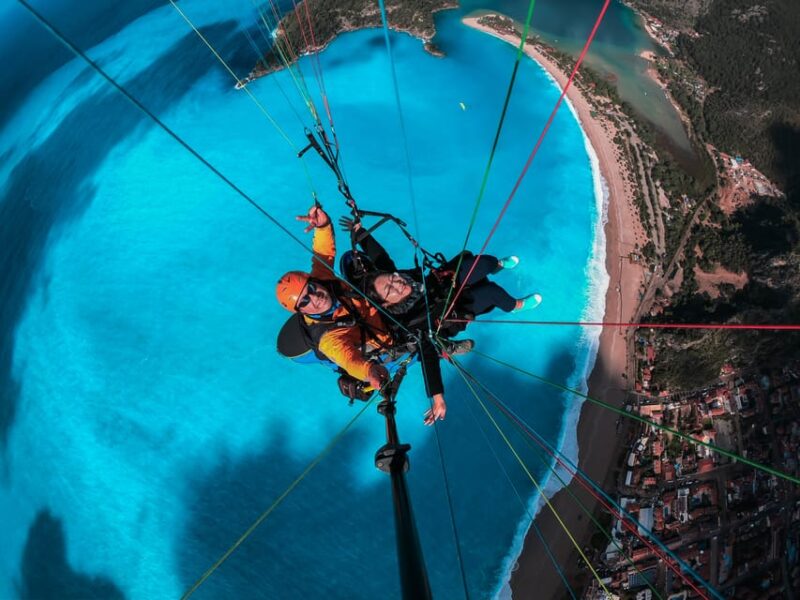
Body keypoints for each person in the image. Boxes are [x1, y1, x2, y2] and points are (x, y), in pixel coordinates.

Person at [340, 218, 541, 424]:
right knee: (492, 292)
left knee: (483, 262)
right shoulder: (411, 322)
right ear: (387, 304)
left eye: (393, 279)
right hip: (457, 310)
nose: (397, 283)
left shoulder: (397, 278)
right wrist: (437, 397)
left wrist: (359, 232)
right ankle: (515, 306)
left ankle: (497, 265)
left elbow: (380, 257)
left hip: (444, 285)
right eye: (391, 290)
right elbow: (427, 355)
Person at [276, 204, 444, 425]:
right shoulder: (328, 339)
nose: (314, 297)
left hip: (376, 317)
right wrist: (370, 371)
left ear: (313, 281)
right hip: (380, 342)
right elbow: (349, 358)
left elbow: (323, 252)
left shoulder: (322, 279)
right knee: (422, 336)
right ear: (301, 311)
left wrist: (323, 226)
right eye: (305, 301)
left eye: (310, 289)